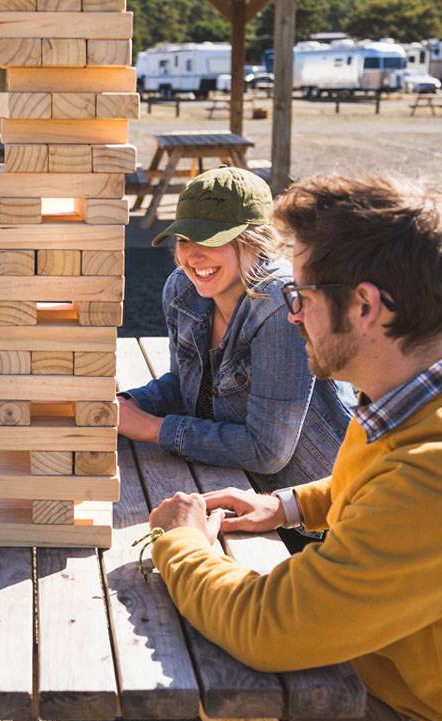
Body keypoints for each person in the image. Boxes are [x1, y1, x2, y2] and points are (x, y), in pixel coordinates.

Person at [147, 173, 442, 721]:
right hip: (397, 664)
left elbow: (267, 627)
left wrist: (180, 542)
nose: (292, 315)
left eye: (303, 296)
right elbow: (383, 479)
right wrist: (286, 504)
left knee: (231, 688)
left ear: (366, 305)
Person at [119, 167, 354, 543]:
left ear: (253, 242)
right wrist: (123, 406)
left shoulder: (281, 307)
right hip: (239, 493)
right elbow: (184, 387)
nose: (192, 255)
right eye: (183, 238)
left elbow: (266, 451)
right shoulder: (183, 289)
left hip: (317, 523)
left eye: (210, 240)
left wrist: (149, 428)